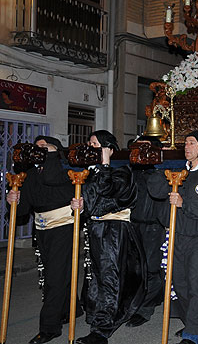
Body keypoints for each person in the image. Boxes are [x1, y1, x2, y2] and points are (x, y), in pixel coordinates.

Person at [147, 130, 198, 344]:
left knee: (197, 282)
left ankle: (192, 332)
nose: (187, 147)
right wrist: (156, 165)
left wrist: (183, 203)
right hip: (178, 234)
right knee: (179, 283)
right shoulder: (177, 171)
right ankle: (192, 321)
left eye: (192, 143)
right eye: (185, 143)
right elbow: (156, 190)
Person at [71, 130, 145, 344]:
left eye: (96, 145)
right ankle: (96, 316)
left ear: (109, 150)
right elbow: (91, 202)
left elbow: (108, 190)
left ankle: (102, 329)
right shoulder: (90, 172)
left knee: (110, 277)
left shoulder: (122, 171)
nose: (91, 148)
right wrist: (79, 206)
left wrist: (105, 164)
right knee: (95, 276)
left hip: (113, 231)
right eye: (90, 144)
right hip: (95, 229)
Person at [7, 136, 79, 344]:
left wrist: (50, 156)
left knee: (54, 277)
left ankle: (49, 327)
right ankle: (71, 308)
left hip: (63, 226)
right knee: (55, 272)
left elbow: (51, 177)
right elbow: (22, 211)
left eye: (44, 147)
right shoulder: (29, 175)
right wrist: (13, 200)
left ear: (56, 150)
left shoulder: (64, 171)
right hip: (42, 228)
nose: (39, 150)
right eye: (36, 147)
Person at [126, 136, 166, 328]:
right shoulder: (132, 170)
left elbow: (158, 192)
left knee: (151, 268)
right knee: (135, 269)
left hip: (153, 225)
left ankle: (145, 308)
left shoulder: (157, 171)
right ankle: (137, 303)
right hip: (134, 224)